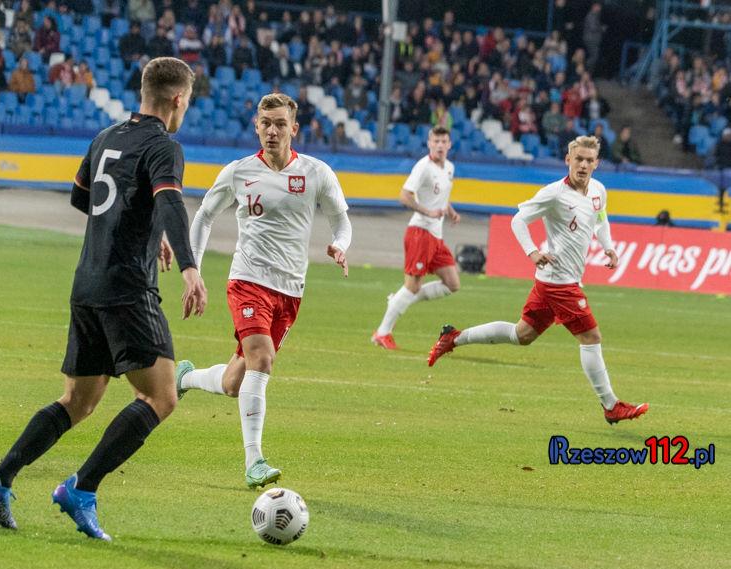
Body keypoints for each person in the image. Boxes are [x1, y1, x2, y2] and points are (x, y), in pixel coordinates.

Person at [0, 57, 208, 541]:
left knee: (78, 400)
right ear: (179, 99)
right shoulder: (164, 146)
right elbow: (168, 201)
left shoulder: (106, 137)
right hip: (127, 289)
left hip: (88, 283)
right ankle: (82, 489)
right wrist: (188, 266)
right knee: (161, 395)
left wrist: (145, 229)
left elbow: (82, 198)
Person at [176, 93, 352, 488]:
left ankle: (185, 377)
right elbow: (204, 217)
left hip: (290, 291)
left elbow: (342, 222)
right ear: (256, 127)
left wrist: (341, 246)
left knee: (234, 383)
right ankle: (254, 460)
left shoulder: (316, 173)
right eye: (265, 123)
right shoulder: (238, 172)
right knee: (262, 359)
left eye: (280, 124)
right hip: (248, 281)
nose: (272, 131)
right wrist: (194, 270)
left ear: (294, 129)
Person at [427, 135, 649, 426]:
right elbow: (518, 219)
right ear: (568, 160)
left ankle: (454, 337)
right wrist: (532, 251)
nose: (583, 165)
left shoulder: (598, 190)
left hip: (555, 281)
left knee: (522, 335)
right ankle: (611, 405)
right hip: (559, 282)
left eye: (589, 160)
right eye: (578, 159)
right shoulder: (554, 193)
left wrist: (608, 246)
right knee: (591, 337)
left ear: (597, 163)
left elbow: (600, 219)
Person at [372, 126, 460, 350]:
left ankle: (399, 300)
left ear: (449, 145)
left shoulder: (449, 168)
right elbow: (404, 195)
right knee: (412, 286)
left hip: (436, 236)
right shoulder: (423, 167)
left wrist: (450, 211)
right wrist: (427, 211)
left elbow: (441, 196)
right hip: (420, 232)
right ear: (429, 143)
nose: (440, 145)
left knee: (452, 283)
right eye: (436, 141)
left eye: (444, 141)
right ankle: (382, 333)